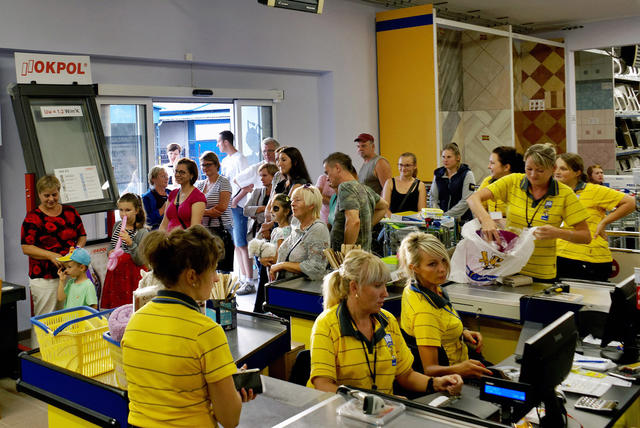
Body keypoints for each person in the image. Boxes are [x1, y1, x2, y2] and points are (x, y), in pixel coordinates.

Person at [122, 225, 255, 427]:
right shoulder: (206, 332)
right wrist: (232, 394)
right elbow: (229, 419)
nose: (216, 278)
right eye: (212, 270)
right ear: (192, 276)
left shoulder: (135, 321)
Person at [308, 249, 462, 396]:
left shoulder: (388, 321)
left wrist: (435, 383)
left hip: (383, 410)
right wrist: (371, 403)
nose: (385, 293)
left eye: (385, 285)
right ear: (354, 287)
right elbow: (323, 386)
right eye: (377, 286)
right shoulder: (327, 325)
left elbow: (406, 375)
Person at [467, 143, 591, 282]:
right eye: (529, 169)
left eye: (540, 170)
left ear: (553, 168)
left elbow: (585, 236)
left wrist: (558, 233)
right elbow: (473, 199)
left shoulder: (565, 194)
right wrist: (486, 220)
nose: (533, 175)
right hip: (509, 268)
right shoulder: (513, 181)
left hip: (541, 274)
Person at [398, 232, 493, 378]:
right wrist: (462, 368)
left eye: (443, 260)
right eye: (432, 264)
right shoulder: (425, 314)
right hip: (453, 376)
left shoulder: (423, 288)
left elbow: (440, 324)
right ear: (414, 268)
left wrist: (460, 331)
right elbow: (430, 370)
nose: (442, 269)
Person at [21, 175, 87, 347]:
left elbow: (82, 235)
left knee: (69, 317)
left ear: (59, 192)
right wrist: (51, 255)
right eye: (46, 195)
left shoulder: (70, 212)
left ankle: (64, 356)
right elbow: (26, 247)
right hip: (44, 278)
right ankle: (40, 356)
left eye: (54, 194)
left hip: (70, 274)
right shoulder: (32, 218)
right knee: (46, 320)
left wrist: (77, 250)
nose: (51, 199)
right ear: (39, 195)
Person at [555, 153, 635, 282]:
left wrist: (604, 222)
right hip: (559, 255)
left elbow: (630, 203)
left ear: (577, 172)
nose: (557, 172)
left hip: (588, 260)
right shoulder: (555, 193)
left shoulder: (594, 190)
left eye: (563, 169)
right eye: (555, 168)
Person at [323, 152, 389, 252]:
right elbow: (384, 206)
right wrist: (365, 226)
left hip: (352, 258)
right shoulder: (365, 189)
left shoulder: (345, 187)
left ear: (337, 168)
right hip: (363, 254)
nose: (327, 178)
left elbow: (353, 221)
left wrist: (346, 253)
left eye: (327, 172)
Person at [269, 186, 330, 281]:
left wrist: (282, 265)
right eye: (292, 200)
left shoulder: (318, 229)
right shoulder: (296, 223)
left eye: (297, 200)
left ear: (311, 205)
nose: (292, 204)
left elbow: (316, 268)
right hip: (284, 285)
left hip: (301, 288)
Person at [217, 130, 253, 290]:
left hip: (238, 205)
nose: (218, 145)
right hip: (229, 206)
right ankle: (243, 278)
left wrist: (236, 200)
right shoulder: (225, 161)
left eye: (219, 142)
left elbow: (248, 184)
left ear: (226, 142)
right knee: (236, 244)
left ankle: (249, 279)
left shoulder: (240, 159)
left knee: (242, 243)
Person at [101, 193, 149, 309]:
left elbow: (140, 260)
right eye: (121, 210)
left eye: (128, 210)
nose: (123, 214)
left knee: (130, 307)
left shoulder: (142, 232)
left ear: (136, 210)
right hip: (116, 274)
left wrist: (130, 243)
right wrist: (110, 252)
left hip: (132, 277)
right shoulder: (117, 225)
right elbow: (112, 244)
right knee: (116, 307)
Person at [195, 151, 234, 273]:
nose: (205, 167)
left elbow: (221, 208)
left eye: (208, 164)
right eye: (203, 165)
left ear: (216, 165)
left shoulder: (223, 182)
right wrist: (208, 211)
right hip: (206, 230)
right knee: (208, 267)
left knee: (223, 269)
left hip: (222, 228)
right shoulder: (201, 185)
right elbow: (193, 206)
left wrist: (201, 211)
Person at [253, 192, 292, 311]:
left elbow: (278, 258)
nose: (271, 212)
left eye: (276, 209)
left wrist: (262, 259)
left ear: (286, 211)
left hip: (277, 273)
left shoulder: (282, 232)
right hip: (272, 272)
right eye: (271, 208)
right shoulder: (277, 229)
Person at [429, 142, 475, 223]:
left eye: (449, 157)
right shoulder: (438, 174)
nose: (445, 160)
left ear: (458, 158)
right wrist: (437, 214)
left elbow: (466, 200)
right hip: (441, 220)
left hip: (462, 220)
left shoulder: (467, 174)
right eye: (443, 157)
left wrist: (447, 216)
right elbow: (433, 198)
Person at [160, 158, 206, 232]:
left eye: (182, 172)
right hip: (168, 238)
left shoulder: (198, 197)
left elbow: (194, 228)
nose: (177, 175)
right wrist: (159, 237)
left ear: (191, 175)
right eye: (176, 171)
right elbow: (164, 223)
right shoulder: (173, 193)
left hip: (186, 238)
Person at [478, 146, 524, 216]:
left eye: (492, 163)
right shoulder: (488, 181)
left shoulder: (521, 185)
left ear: (506, 167)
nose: (488, 166)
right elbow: (479, 206)